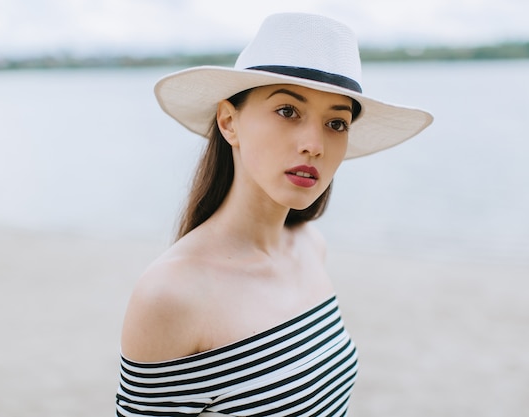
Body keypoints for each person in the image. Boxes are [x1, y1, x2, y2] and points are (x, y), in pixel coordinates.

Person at [116, 12, 432, 416]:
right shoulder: (171, 293)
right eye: (288, 111)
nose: (314, 145)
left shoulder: (309, 246)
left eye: (336, 122)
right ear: (229, 122)